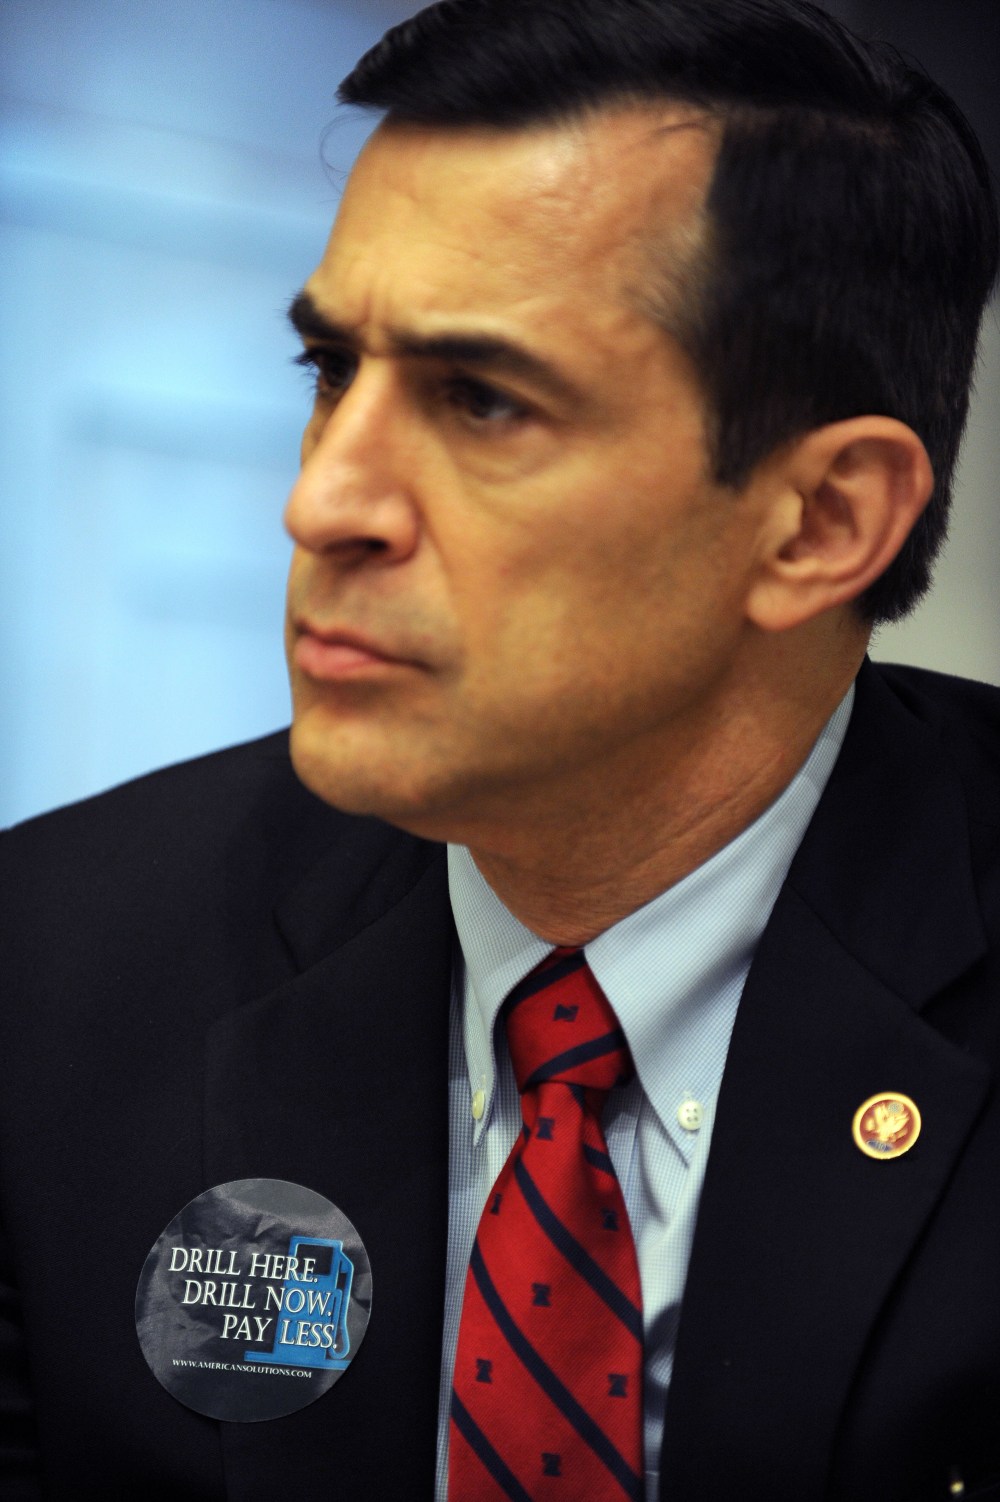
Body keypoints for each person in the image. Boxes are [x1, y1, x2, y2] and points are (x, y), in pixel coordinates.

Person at [1, 0, 998, 1497]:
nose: (325, 501)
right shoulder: (52, 966)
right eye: (333, 373)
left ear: (823, 519)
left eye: (482, 400)